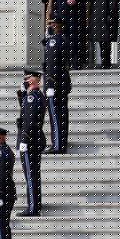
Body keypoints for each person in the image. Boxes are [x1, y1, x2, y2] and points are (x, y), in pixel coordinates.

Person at [16, 70, 46, 217]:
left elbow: (30, 120)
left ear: (33, 80)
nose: (25, 80)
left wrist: (25, 139)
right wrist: (22, 93)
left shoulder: (33, 97)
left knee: (31, 175)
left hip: (30, 141)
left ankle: (33, 208)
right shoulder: (33, 96)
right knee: (32, 175)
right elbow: (26, 112)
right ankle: (33, 206)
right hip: (34, 140)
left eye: (27, 78)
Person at [44, 15, 72, 154]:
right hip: (63, 82)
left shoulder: (54, 41)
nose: (49, 26)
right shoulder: (64, 39)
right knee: (62, 115)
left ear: (55, 26)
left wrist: (49, 84)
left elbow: (51, 64)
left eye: (50, 24)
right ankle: (62, 143)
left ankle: (57, 146)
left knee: (55, 116)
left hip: (55, 84)